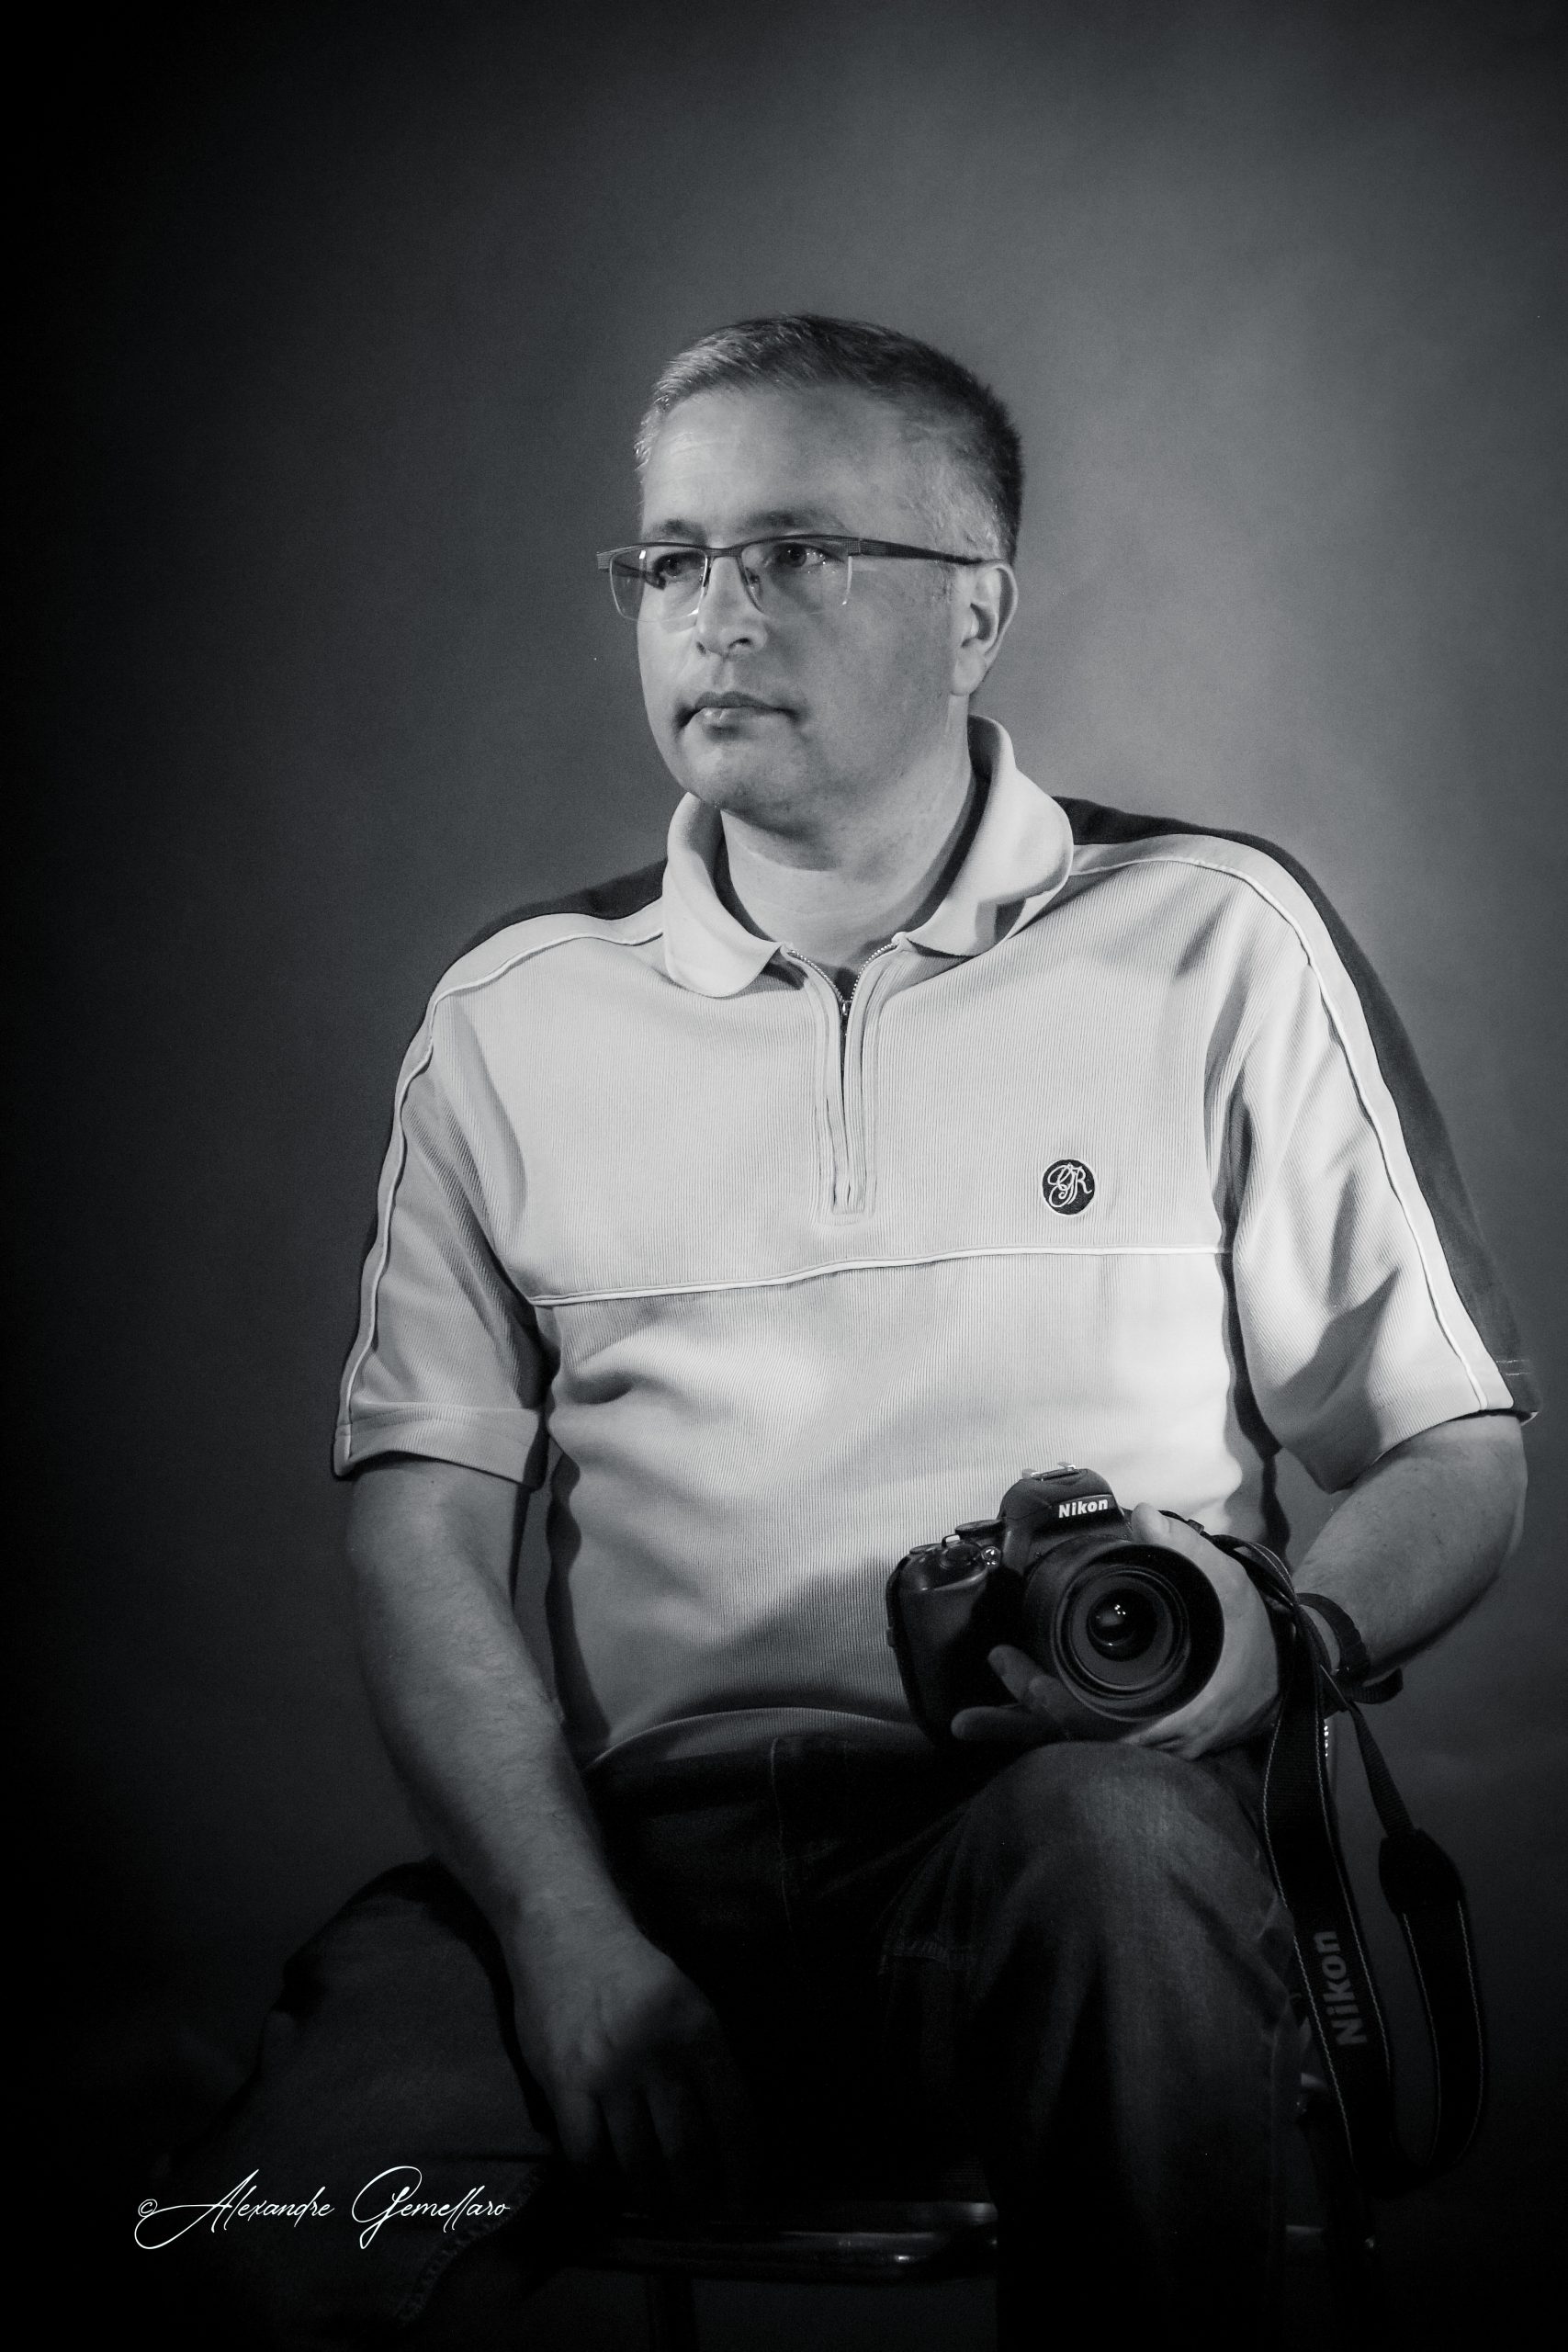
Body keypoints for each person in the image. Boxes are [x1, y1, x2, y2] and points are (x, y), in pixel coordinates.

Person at [151, 317, 1530, 2348]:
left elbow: (1451, 1445)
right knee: (261, 2230)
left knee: (1110, 1843)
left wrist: (1286, 1643)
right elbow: (419, 1529)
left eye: (793, 550)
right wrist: (564, 1934)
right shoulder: (511, 1018)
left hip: (1059, 1853)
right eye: (670, 557)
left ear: (975, 609)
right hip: (628, 1872)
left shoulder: (1215, 937)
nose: (714, 612)